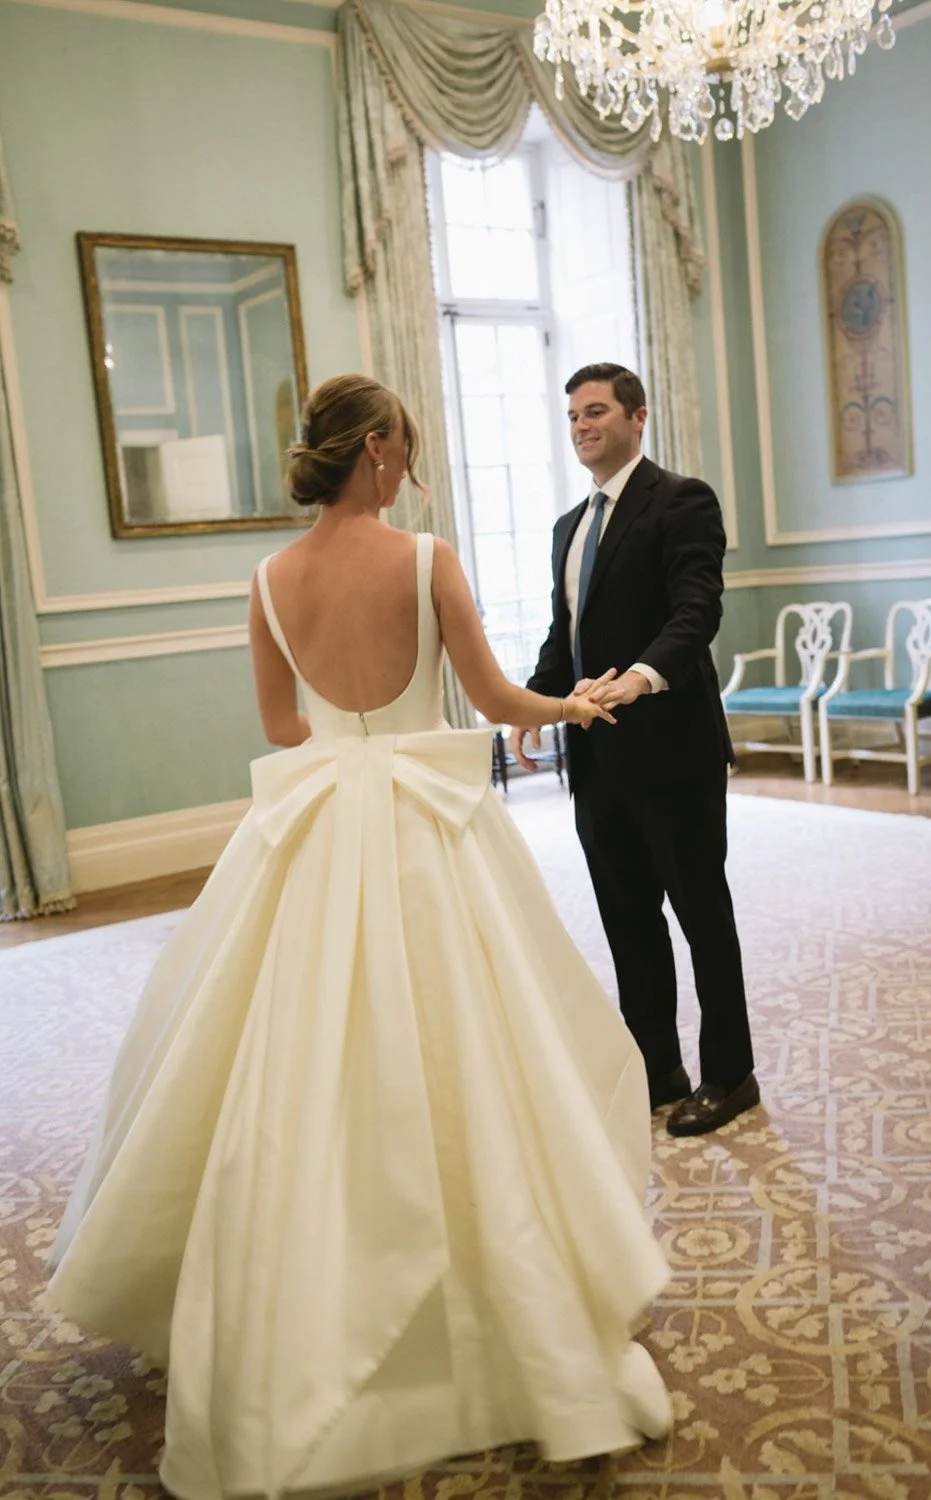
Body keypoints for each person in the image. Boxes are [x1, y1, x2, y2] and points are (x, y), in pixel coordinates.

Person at [46, 374, 674, 1500]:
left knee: (285, 1060)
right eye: (408, 447)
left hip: (316, 820)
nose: (411, 462)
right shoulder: (427, 558)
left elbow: (283, 729)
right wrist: (575, 706)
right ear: (381, 450)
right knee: (477, 1046)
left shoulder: (267, 578)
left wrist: (352, 743)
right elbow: (488, 698)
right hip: (427, 830)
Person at [513, 362, 758, 1139]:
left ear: (637, 417)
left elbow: (697, 609)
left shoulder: (681, 500)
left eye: (596, 412)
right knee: (627, 923)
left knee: (700, 915)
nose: (582, 426)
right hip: (597, 764)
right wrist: (531, 702)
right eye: (573, 417)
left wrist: (645, 678)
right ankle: (657, 1072)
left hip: (673, 752)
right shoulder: (568, 527)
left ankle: (730, 1074)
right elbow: (569, 637)